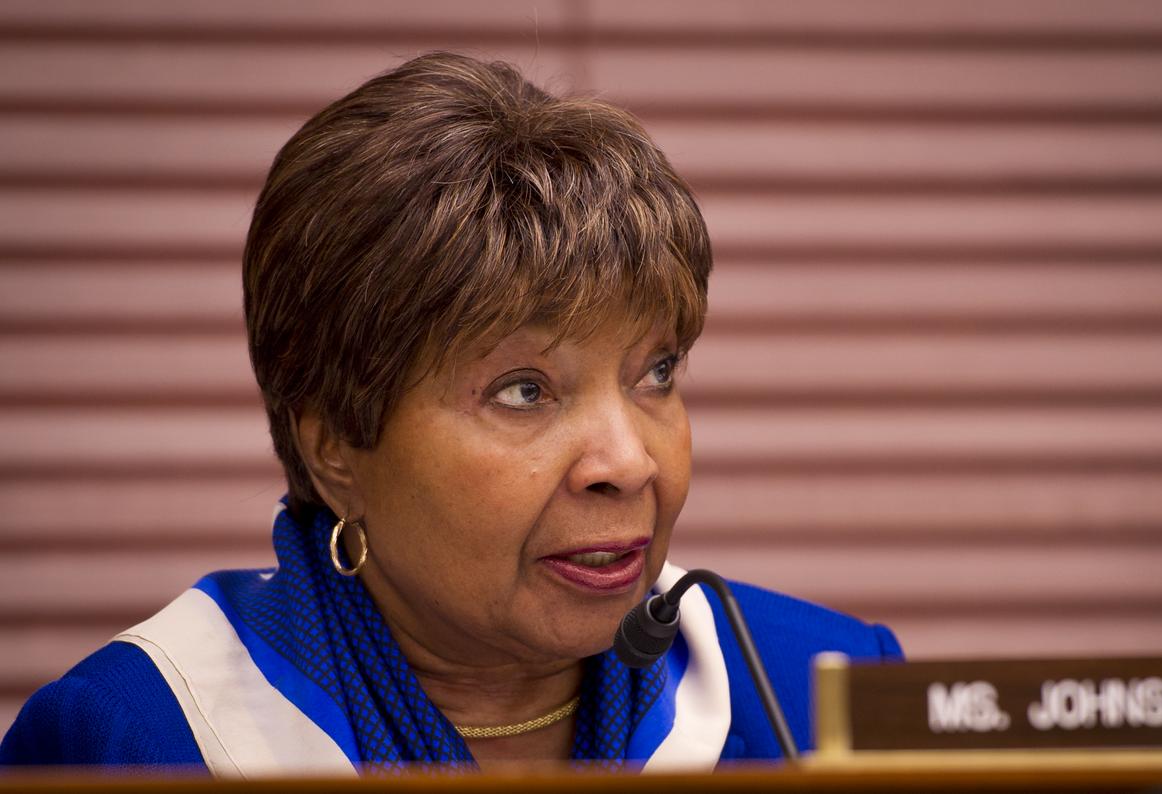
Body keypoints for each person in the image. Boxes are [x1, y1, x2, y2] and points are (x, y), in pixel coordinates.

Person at [0, 51, 901, 774]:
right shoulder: (138, 736)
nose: (628, 463)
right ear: (335, 445)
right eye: (524, 391)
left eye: (655, 373)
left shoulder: (820, 692)